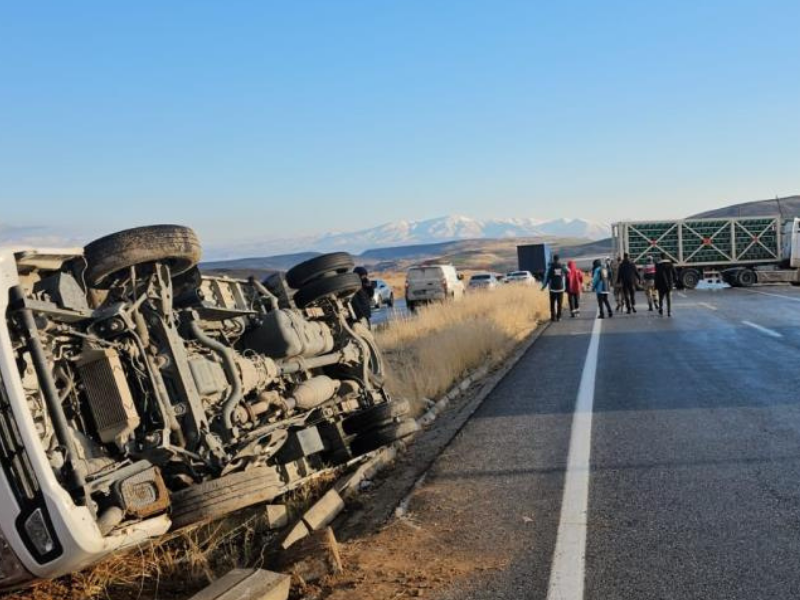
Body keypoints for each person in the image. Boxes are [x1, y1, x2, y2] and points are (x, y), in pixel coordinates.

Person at [541, 254, 567, 322]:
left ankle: (553, 317)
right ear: (559, 259)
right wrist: (564, 265)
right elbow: (568, 272)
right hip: (560, 288)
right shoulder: (562, 266)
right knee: (559, 303)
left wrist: (543, 287)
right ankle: (559, 317)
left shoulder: (550, 267)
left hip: (552, 289)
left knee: (552, 303)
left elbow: (547, 278)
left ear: (553, 259)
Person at [655, 253, 677, 317]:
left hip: (661, 284)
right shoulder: (670, 264)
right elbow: (674, 273)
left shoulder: (658, 265)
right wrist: (674, 281)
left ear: (661, 257)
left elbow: (656, 276)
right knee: (669, 298)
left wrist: (656, 285)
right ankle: (669, 312)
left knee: (661, 298)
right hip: (669, 284)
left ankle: (661, 309)